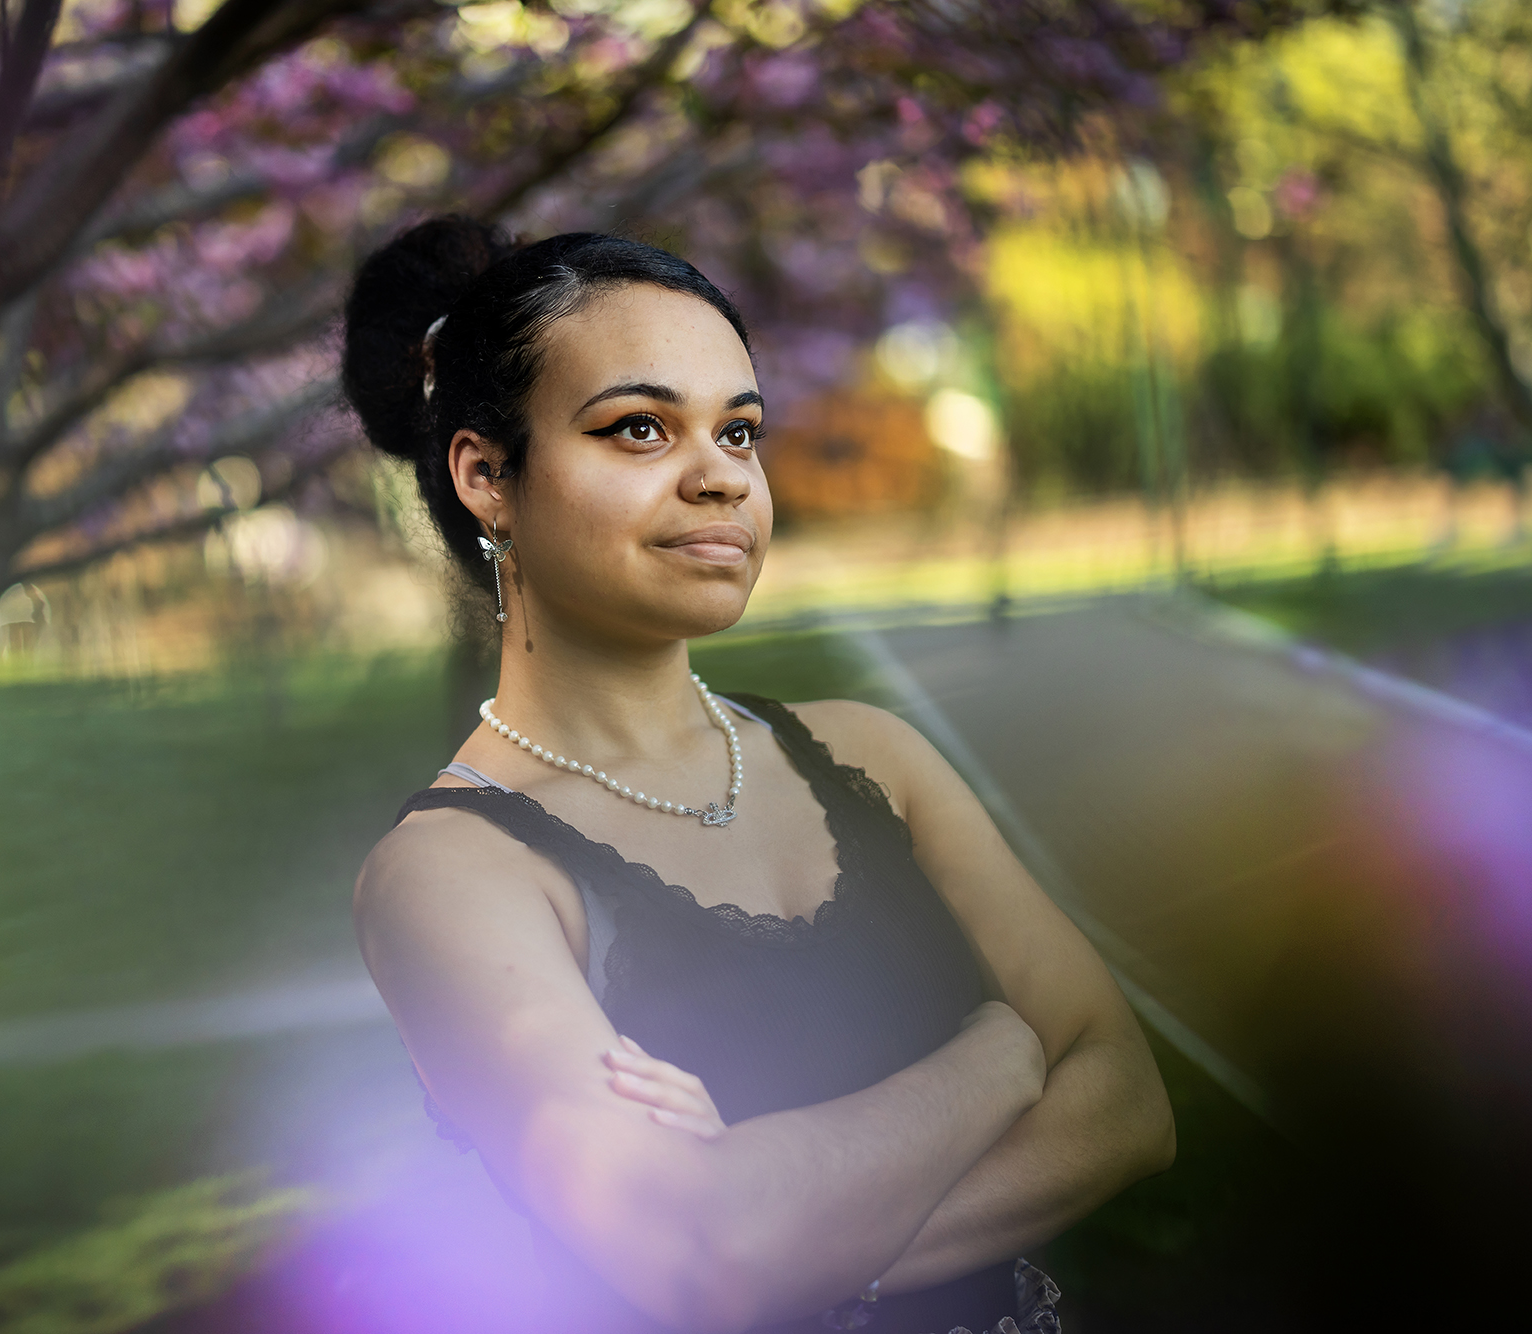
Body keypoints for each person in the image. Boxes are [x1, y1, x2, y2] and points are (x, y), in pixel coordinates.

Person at [345, 217, 1175, 1334]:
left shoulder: (872, 757)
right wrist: (1002, 1049)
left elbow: (1126, 1102)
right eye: (637, 428)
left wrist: (808, 1239)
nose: (717, 479)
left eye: (738, 432)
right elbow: (704, 1258)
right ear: (487, 474)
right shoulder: (448, 872)